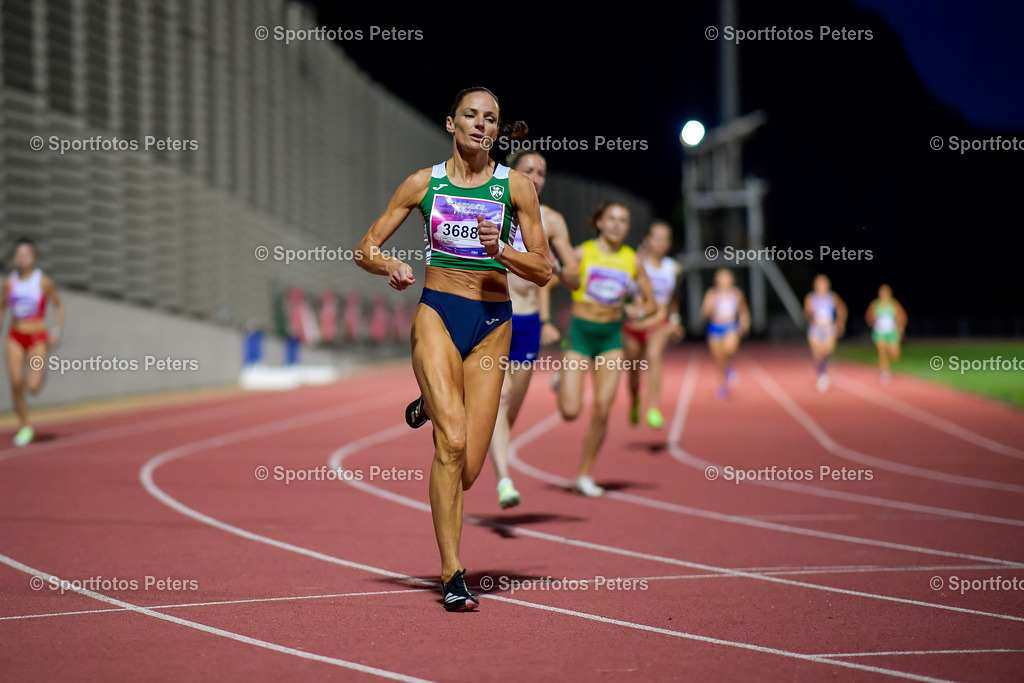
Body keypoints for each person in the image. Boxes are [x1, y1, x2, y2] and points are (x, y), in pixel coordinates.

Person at [354, 87, 550, 612]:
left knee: (469, 468)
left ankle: (427, 407)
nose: (481, 125)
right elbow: (365, 247)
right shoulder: (425, 183)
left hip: (492, 323)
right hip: (438, 312)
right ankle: (453, 572)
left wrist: (502, 250)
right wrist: (388, 265)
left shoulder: (517, 188)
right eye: (471, 116)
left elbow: (545, 269)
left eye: (491, 118)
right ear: (451, 124)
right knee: (453, 442)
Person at [487, 150, 579, 510]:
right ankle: (504, 481)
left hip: (527, 323)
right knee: (502, 396)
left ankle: (487, 452)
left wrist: (561, 268)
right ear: (512, 172)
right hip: (495, 316)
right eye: (528, 170)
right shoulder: (495, 208)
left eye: (541, 172)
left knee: (509, 412)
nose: (536, 177)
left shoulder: (552, 221)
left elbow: (572, 275)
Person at [557, 203, 655, 497]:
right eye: (610, 219)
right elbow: (548, 283)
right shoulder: (580, 252)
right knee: (571, 411)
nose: (616, 225)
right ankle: (561, 381)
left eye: (623, 220)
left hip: (611, 338)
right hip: (579, 334)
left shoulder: (632, 260)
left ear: (627, 227)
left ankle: (584, 474)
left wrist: (639, 310)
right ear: (598, 222)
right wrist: (546, 317)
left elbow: (651, 302)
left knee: (602, 407)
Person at [1, 237, 64, 446]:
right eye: (18, 255)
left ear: (33, 257)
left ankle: (40, 372)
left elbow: (59, 305)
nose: (22, 258)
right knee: (16, 382)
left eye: (26, 254)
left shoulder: (42, 281)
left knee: (33, 387)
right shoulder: (10, 282)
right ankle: (25, 426)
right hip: (16, 337)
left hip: (37, 338)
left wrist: (56, 331)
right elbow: (2, 307)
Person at [622, 220, 684, 428]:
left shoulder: (673, 268)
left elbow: (673, 299)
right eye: (656, 237)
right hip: (636, 324)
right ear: (647, 240)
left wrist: (676, 320)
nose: (660, 242)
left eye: (664, 239)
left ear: (669, 243)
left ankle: (654, 407)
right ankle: (635, 400)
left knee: (654, 355)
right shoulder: (637, 264)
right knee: (633, 372)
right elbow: (625, 293)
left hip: (660, 322)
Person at [701, 268, 750, 400]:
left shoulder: (736, 294)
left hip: (730, 326)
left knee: (729, 349)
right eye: (721, 278)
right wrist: (711, 305)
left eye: (726, 278)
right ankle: (723, 384)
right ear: (717, 280)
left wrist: (745, 322)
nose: (724, 281)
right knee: (719, 359)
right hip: (715, 328)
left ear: (731, 280)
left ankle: (730, 366)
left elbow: (743, 311)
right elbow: (705, 314)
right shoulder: (711, 294)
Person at [804, 274, 848, 392]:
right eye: (819, 283)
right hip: (815, 327)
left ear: (827, 285)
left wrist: (840, 322)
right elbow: (807, 311)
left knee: (828, 349)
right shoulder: (811, 297)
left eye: (823, 283)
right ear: (815, 285)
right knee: (817, 352)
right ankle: (822, 374)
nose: (821, 286)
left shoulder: (832, 297)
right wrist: (810, 314)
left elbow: (841, 309)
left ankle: (823, 366)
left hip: (828, 327)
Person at [865, 284, 907, 384]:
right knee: (882, 352)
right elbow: (868, 317)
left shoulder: (894, 304)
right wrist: (872, 319)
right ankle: (885, 372)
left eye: (886, 292)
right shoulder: (875, 304)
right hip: (879, 332)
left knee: (895, 354)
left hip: (891, 332)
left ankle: (888, 357)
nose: (884, 294)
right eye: (882, 292)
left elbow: (902, 316)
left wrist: (901, 328)